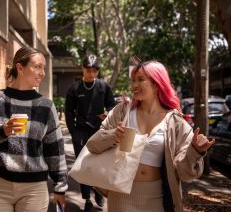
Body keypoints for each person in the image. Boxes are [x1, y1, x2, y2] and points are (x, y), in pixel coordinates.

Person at [86, 59, 215, 212]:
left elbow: (185, 174)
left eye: (140, 80)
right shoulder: (122, 112)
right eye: (133, 80)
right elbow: (92, 145)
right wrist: (113, 136)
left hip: (157, 198)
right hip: (120, 196)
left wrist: (195, 151)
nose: (134, 85)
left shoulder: (175, 122)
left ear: (156, 84)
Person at [0, 47, 68, 212]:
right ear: (20, 68)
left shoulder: (46, 106)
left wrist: (60, 187)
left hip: (34, 189)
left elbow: (55, 149)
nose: (43, 73)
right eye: (37, 67)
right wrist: (2, 131)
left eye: (44, 68)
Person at [65, 54, 116, 211]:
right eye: (89, 70)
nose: (92, 73)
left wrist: (108, 114)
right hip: (80, 131)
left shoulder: (103, 86)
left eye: (95, 70)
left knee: (100, 163)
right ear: (83, 69)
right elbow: (68, 111)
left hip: (100, 131)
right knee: (83, 165)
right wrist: (73, 131)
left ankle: (99, 191)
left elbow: (112, 105)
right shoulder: (74, 88)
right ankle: (87, 199)